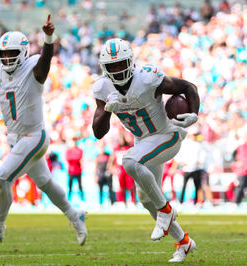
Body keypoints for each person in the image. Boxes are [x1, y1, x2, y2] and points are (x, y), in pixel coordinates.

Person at [0, 15, 87, 246]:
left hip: (34, 136)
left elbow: (46, 58)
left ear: (22, 53)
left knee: (1, 177)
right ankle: (75, 215)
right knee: (45, 182)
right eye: (4, 53)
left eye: (12, 53)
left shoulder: (33, 69)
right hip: (15, 138)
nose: (7, 57)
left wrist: (48, 37)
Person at [92, 38, 199, 262]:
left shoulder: (148, 77)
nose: (118, 70)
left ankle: (166, 211)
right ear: (105, 68)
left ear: (131, 61)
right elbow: (98, 132)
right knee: (146, 198)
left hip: (166, 135)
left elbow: (188, 86)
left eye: (122, 64)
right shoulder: (103, 88)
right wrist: (108, 111)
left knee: (129, 161)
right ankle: (184, 242)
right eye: (112, 66)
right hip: (144, 143)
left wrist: (194, 113)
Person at [172, 127, 213, 206]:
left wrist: (201, 162)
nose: (194, 136)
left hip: (196, 169)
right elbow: (178, 155)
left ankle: (196, 203)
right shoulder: (185, 144)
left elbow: (204, 154)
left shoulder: (200, 144)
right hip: (187, 169)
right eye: (193, 134)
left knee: (197, 186)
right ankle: (181, 203)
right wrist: (181, 162)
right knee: (184, 186)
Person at [65, 137, 84, 201]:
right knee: (70, 187)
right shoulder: (69, 150)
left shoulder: (80, 150)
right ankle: (68, 200)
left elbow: (80, 158)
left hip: (78, 171)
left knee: (80, 186)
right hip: (71, 171)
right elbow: (68, 159)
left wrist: (75, 159)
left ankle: (82, 200)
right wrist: (77, 159)